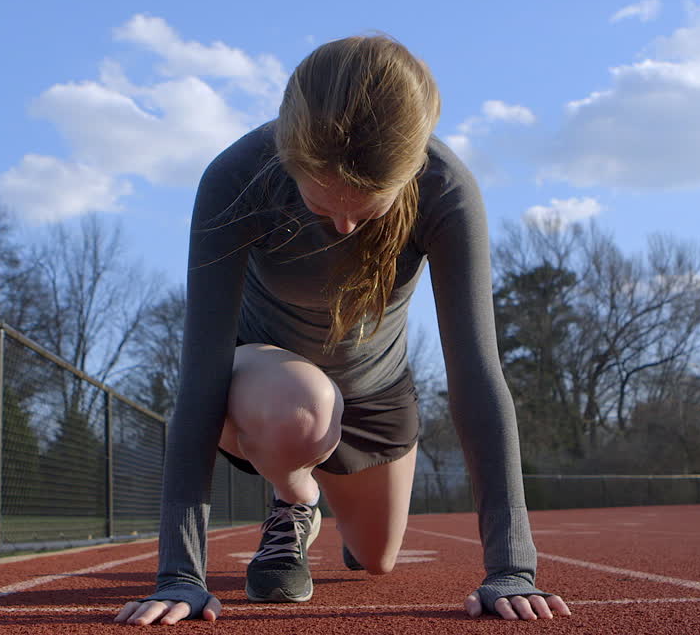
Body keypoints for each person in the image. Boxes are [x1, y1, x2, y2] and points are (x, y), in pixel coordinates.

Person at [115, 34, 572, 625]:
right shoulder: (237, 177)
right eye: (322, 202)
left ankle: (343, 511)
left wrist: (510, 569)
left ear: (407, 178)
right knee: (303, 407)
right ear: (288, 156)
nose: (344, 224)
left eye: (367, 208)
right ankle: (295, 497)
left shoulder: (446, 189)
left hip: (374, 392)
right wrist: (180, 572)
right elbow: (200, 374)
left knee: (378, 558)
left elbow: (478, 377)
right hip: (266, 388)